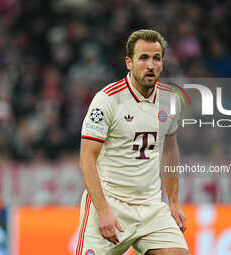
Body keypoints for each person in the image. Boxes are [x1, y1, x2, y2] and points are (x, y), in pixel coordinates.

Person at [76, 29, 189, 255]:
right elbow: (87, 160)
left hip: (151, 207)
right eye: (143, 58)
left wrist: (174, 201)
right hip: (111, 203)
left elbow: (169, 148)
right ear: (129, 62)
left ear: (163, 63)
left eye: (156, 58)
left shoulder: (170, 100)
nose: (150, 65)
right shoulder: (107, 100)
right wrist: (103, 210)